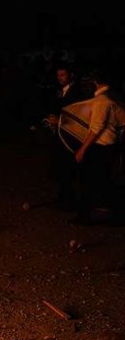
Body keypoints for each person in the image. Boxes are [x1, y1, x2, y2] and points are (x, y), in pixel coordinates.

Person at [72, 70, 122, 225]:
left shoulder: (102, 100)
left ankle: (86, 217)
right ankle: (111, 215)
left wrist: (82, 149)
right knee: (104, 180)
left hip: (101, 147)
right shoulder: (114, 97)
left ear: (95, 82)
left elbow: (96, 128)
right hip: (110, 145)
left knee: (89, 182)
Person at [44, 66, 89, 210]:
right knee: (60, 165)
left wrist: (61, 119)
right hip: (60, 132)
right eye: (58, 75)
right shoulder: (60, 91)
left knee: (67, 166)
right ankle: (64, 195)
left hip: (70, 133)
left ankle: (69, 199)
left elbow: (77, 111)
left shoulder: (77, 91)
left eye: (63, 75)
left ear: (71, 75)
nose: (60, 78)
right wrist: (52, 116)